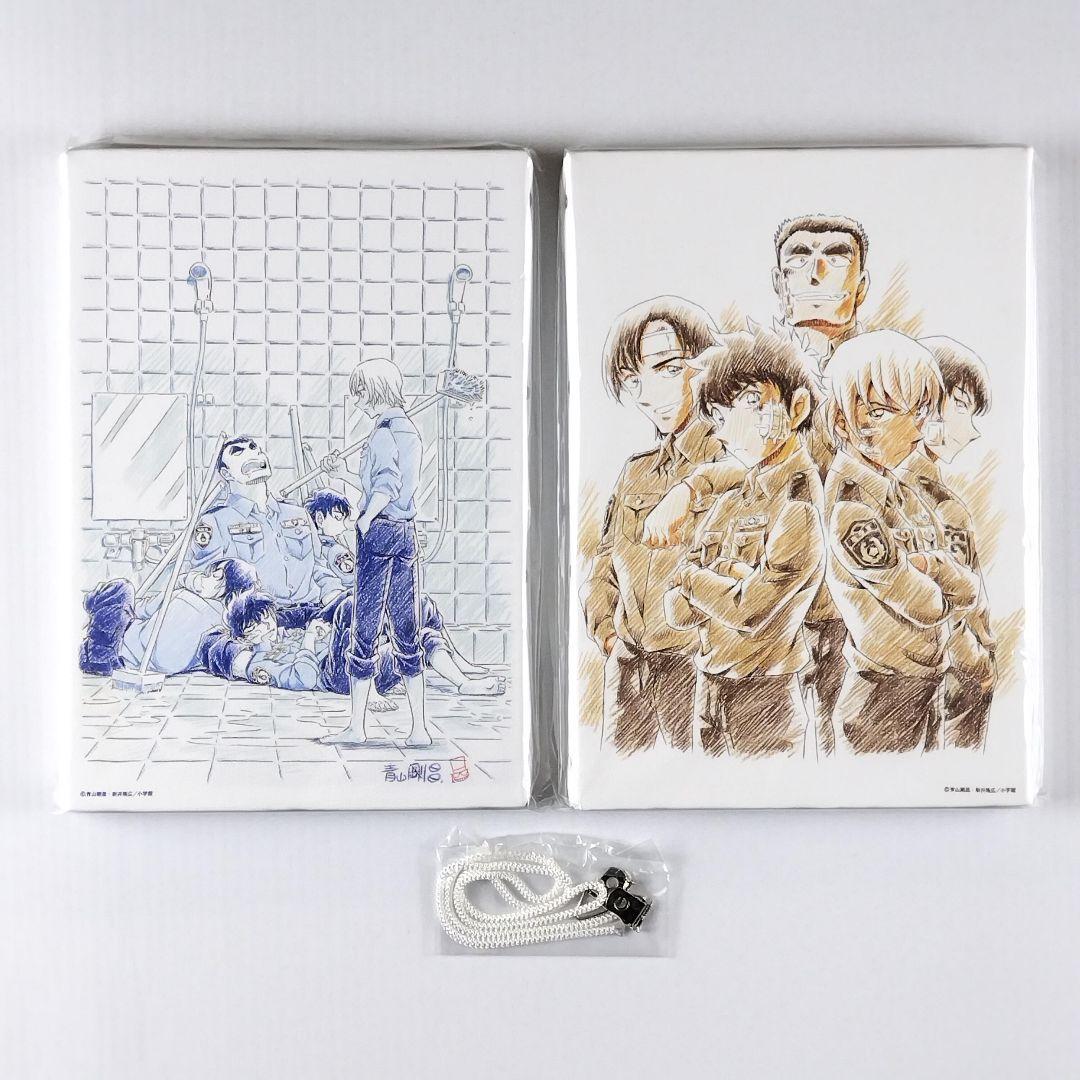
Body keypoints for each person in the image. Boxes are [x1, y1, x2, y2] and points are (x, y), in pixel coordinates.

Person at [580, 296, 733, 753]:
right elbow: (604, 563)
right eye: (633, 379)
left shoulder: (732, 462)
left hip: (696, 669)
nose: (648, 394)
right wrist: (607, 634)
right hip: (629, 668)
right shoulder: (636, 471)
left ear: (706, 367)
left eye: (668, 368)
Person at [663, 328, 825, 756]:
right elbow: (676, 611)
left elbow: (749, 611)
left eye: (750, 402)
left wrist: (697, 580)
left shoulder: (799, 504)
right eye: (718, 417)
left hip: (765, 698)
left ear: (797, 408)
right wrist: (725, 578)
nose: (725, 430)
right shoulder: (731, 500)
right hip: (710, 690)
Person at [822, 331, 980, 753]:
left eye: (921, 410)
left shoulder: (903, 491)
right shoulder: (851, 506)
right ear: (845, 422)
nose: (916, 428)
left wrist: (930, 567)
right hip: (880, 697)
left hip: (923, 687)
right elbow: (928, 606)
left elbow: (968, 591)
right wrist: (937, 573)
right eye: (886, 412)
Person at [318, 357, 430, 747]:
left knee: (364, 630)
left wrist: (364, 519)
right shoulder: (408, 430)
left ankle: (356, 727)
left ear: (370, 392)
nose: (356, 401)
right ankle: (419, 729)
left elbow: (385, 486)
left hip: (379, 532)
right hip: (404, 533)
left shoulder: (382, 434)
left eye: (358, 393)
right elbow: (393, 486)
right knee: (406, 629)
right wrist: (342, 474)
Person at [899, 337, 995, 748]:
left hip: (957, 672)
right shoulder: (916, 497)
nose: (971, 429)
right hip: (949, 674)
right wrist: (979, 664)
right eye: (961, 404)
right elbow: (945, 601)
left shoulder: (941, 497)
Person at [184, 436, 342, 619]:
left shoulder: (298, 514)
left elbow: (318, 566)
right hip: (262, 622)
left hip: (315, 615)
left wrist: (333, 593)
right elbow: (205, 579)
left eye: (254, 447)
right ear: (226, 474)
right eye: (238, 451)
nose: (252, 452)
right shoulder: (214, 521)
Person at [79, 559, 257, 677]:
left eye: (215, 575)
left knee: (122, 588)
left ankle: (97, 644)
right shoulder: (224, 622)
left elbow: (142, 609)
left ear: (229, 586)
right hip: (155, 663)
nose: (206, 577)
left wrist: (183, 581)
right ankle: (96, 643)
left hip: (128, 643)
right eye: (207, 573)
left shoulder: (182, 593)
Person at [305, 488, 356, 590]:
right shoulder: (335, 549)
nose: (344, 526)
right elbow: (352, 577)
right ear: (320, 519)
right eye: (338, 518)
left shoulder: (312, 545)